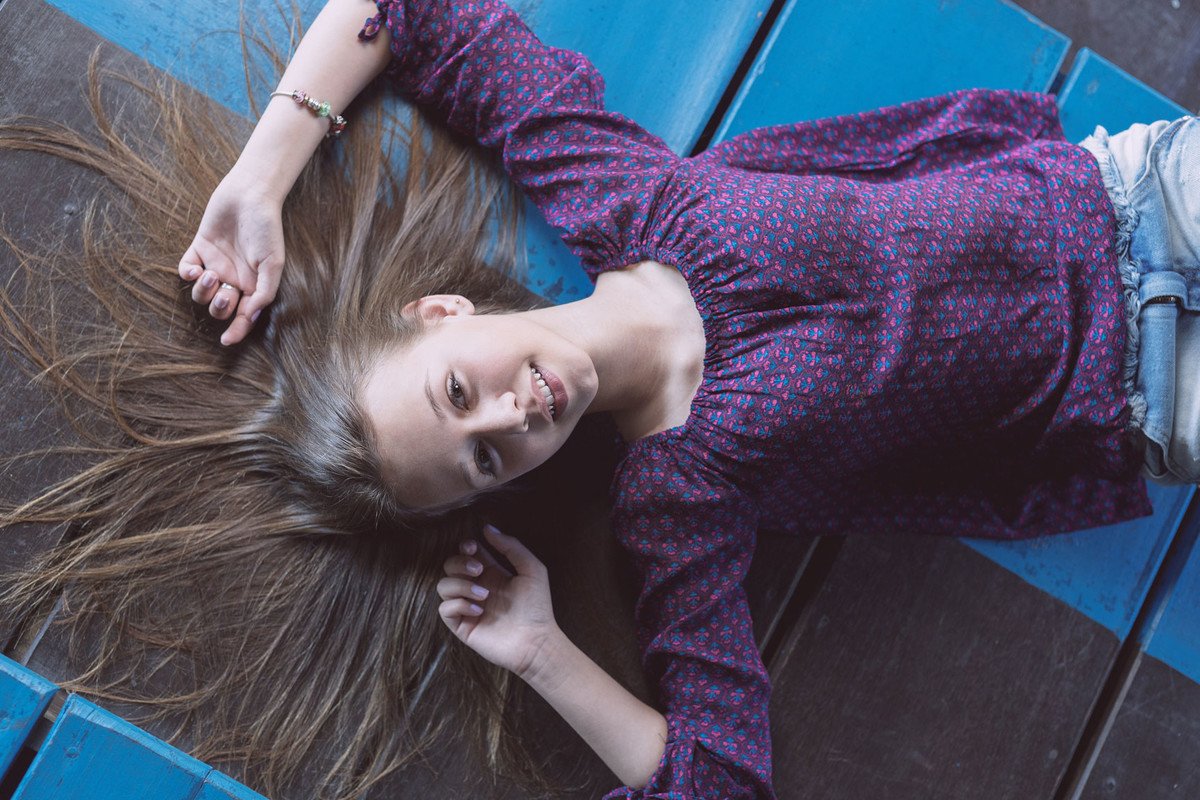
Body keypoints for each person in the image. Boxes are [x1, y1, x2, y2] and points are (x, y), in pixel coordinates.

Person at [5, 0, 1197, 797]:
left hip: (1137, 193)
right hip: (1151, 398)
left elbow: (411, 11)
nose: (509, 416)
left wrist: (260, 178)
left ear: (442, 313)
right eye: (483, 458)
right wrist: (540, 650)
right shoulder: (682, 499)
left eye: (458, 391)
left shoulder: (623, 193)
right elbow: (716, 779)